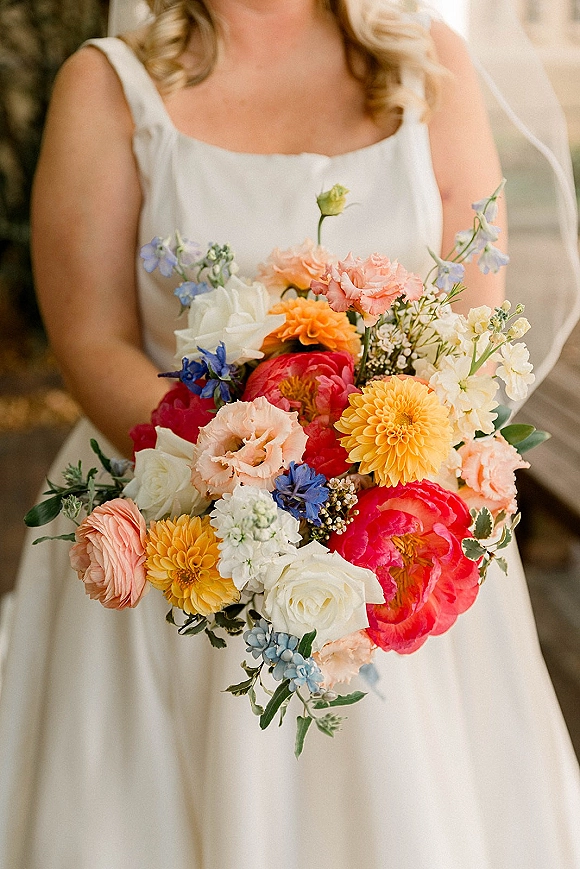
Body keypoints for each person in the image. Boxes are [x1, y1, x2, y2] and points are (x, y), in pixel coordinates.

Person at [0, 1, 579, 866]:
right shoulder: (112, 86)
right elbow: (90, 336)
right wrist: (241, 483)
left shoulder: (428, 69)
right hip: (175, 534)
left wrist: (374, 485)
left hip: (396, 538)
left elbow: (475, 315)